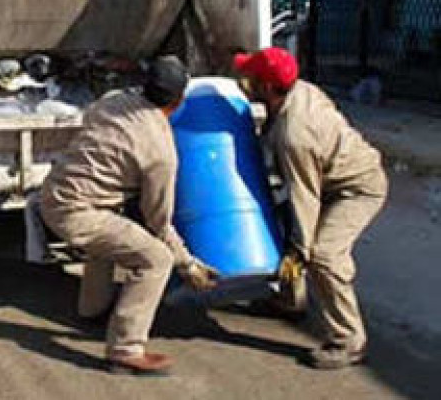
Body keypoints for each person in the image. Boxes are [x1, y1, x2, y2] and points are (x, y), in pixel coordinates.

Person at [40, 56, 219, 376]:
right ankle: (125, 349)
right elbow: (159, 224)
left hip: (54, 193)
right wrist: (187, 263)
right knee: (155, 258)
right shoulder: (160, 152)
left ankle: (92, 309)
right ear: (178, 102)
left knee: (111, 233)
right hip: (76, 211)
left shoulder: (112, 101)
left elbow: (97, 124)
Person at [233, 47, 387, 369]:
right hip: (328, 177)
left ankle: (349, 340)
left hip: (358, 189)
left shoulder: (296, 135)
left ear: (268, 88)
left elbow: (305, 195)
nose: (245, 81)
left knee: (322, 255)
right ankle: (290, 302)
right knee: (284, 220)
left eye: (252, 78)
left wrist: (300, 249)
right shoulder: (298, 91)